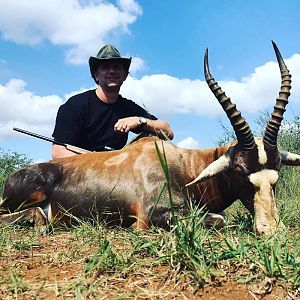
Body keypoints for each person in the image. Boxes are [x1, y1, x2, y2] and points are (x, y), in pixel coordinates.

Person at [52, 45, 174, 159]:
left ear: (125, 75)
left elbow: (168, 132)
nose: (111, 71)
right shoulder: (75, 105)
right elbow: (58, 152)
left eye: (116, 67)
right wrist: (97, 163)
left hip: (116, 171)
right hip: (83, 173)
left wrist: (139, 121)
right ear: (96, 75)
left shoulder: (128, 107)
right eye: (105, 67)